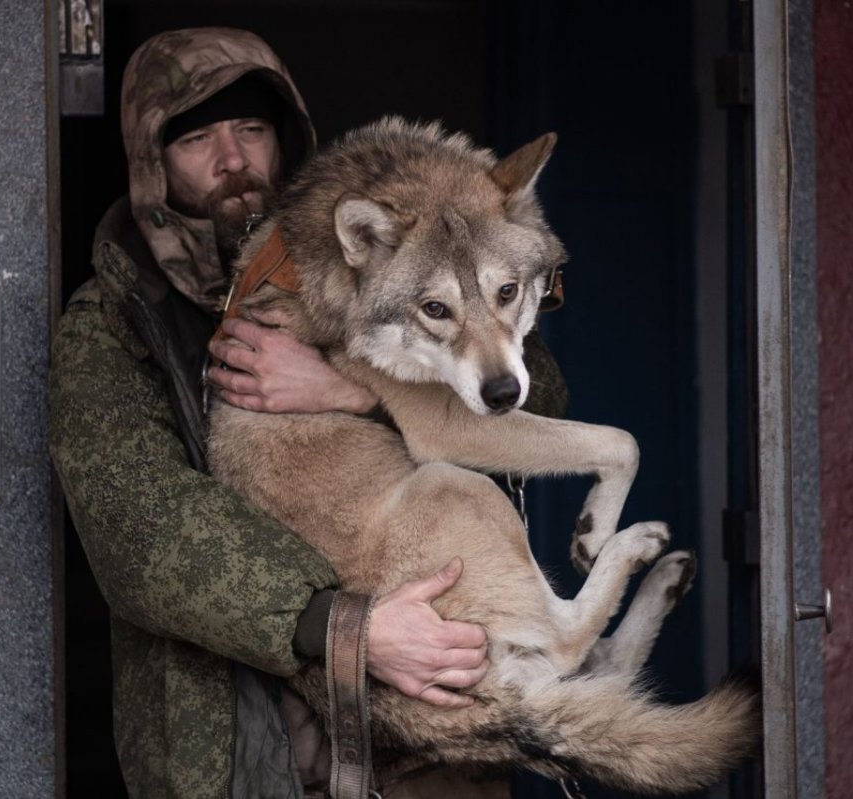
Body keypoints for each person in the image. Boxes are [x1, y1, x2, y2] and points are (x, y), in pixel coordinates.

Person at [48, 27, 567, 798]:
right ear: (153, 162)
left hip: (444, 724)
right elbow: (141, 529)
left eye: (251, 130)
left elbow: (542, 399)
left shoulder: (382, 261)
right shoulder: (116, 321)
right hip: (237, 758)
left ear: (285, 138)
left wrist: (361, 396)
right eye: (197, 138)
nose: (233, 160)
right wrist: (346, 626)